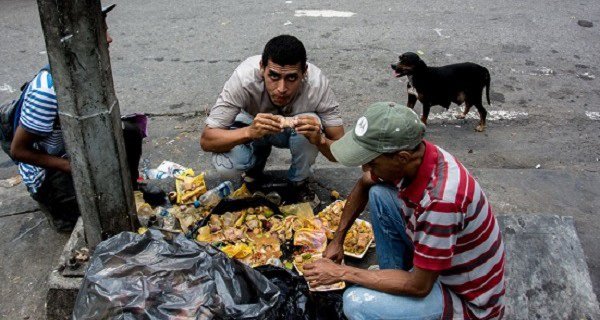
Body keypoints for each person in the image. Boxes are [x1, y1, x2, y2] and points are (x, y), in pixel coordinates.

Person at [303, 102, 506, 319]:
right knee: (379, 193)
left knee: (355, 303)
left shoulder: (441, 202)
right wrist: (338, 239)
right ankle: (391, 276)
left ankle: (395, 293)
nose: (365, 168)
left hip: (465, 300)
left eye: (371, 162)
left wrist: (342, 272)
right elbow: (364, 183)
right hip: (440, 264)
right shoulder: (417, 155)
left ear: (402, 158)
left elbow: (419, 287)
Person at [10, 4, 145, 232]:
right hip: (50, 171)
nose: (109, 39)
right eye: (102, 33)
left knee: (130, 132)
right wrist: (74, 167)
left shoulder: (90, 70)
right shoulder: (46, 93)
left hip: (75, 151)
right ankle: (57, 209)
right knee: (92, 218)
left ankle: (133, 192)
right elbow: (19, 151)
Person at [200, 35, 344, 202]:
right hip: (251, 124)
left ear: (304, 72)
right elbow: (207, 140)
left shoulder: (317, 85)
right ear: (262, 68)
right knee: (226, 164)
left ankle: (299, 181)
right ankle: (253, 168)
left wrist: (320, 140)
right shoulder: (243, 78)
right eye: (274, 76)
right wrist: (249, 132)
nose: (281, 89)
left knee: (312, 123)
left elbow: (340, 152)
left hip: (293, 134)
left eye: (291, 78)